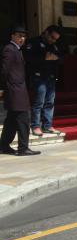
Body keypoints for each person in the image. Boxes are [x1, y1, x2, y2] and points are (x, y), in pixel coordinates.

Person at [0, 26, 40, 156]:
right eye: (19, 35)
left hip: (18, 90)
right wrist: (2, 88)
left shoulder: (17, 50)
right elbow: (4, 71)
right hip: (14, 90)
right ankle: (23, 148)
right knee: (23, 119)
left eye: (24, 36)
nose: (22, 38)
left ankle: (3, 146)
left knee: (11, 120)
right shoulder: (9, 49)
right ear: (12, 36)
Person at [24, 25, 62, 136]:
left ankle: (47, 126)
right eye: (52, 37)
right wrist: (44, 58)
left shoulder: (54, 46)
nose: (53, 40)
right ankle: (35, 126)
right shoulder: (33, 42)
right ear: (46, 32)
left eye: (55, 39)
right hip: (38, 77)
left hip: (51, 77)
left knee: (50, 102)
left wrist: (57, 58)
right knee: (38, 102)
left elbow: (60, 57)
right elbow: (28, 59)